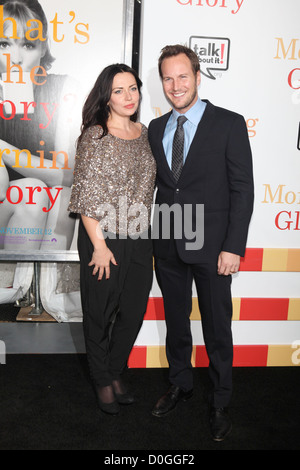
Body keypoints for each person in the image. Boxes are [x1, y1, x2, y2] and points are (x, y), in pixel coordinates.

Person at [148, 45, 254, 441]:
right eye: (167, 78)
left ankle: (220, 401)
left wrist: (233, 246)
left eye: (183, 76)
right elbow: (163, 187)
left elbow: (243, 189)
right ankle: (181, 384)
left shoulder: (228, 123)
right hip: (169, 244)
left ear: (197, 75)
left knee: (216, 328)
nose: (175, 86)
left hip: (214, 250)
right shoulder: (157, 129)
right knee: (176, 324)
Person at [68, 64, 156, 415]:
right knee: (100, 313)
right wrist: (100, 247)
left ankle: (116, 368)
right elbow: (86, 197)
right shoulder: (95, 135)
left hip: (139, 236)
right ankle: (102, 378)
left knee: (133, 311)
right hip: (101, 237)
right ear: (106, 96)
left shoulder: (144, 132)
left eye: (132, 88)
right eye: (119, 90)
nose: (128, 96)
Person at [0, 0, 80, 251]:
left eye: (28, 44)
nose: (15, 58)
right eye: (4, 44)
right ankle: (12, 288)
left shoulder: (62, 89)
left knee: (64, 198)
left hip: (44, 209)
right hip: (9, 204)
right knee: (32, 192)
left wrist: (3, 150)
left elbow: (67, 176)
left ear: (43, 46)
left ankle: (42, 290)